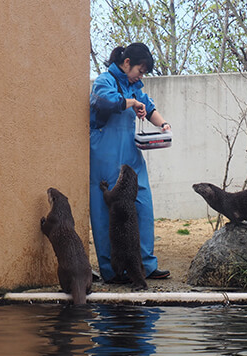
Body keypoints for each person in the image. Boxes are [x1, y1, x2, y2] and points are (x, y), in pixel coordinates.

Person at [89, 42, 171, 284]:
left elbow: (150, 105)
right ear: (127, 64)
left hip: (131, 154)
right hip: (105, 153)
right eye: (140, 70)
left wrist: (163, 125)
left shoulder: (134, 85)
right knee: (107, 210)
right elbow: (106, 102)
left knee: (142, 203)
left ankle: (145, 265)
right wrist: (131, 103)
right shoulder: (105, 81)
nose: (141, 75)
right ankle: (112, 269)